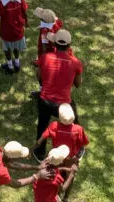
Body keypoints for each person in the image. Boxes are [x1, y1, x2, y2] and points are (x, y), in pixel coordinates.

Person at [34, 29, 84, 159]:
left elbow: (39, 76)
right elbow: (78, 84)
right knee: (74, 123)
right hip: (63, 104)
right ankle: (78, 148)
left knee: (42, 125)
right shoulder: (75, 63)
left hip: (45, 100)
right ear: (69, 46)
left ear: (55, 44)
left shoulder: (45, 58)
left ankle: (39, 153)